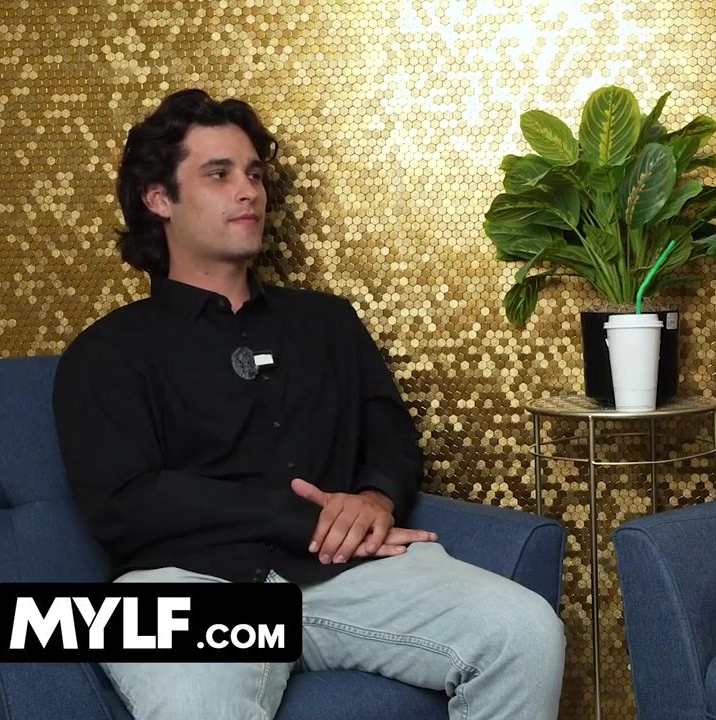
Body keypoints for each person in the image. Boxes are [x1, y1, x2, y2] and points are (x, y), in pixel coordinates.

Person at [52, 88, 565, 720]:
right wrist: (294, 518)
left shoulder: (328, 322)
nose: (248, 191)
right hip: (187, 583)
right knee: (195, 704)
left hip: (344, 572)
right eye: (219, 174)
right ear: (159, 198)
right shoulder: (106, 351)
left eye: (254, 174)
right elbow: (124, 503)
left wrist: (375, 499)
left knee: (524, 632)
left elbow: (390, 438)